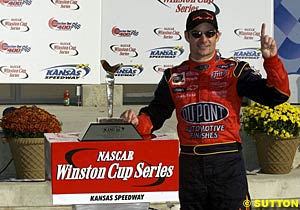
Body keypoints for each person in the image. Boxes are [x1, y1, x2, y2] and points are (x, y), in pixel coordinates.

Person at [120, 9, 290, 210]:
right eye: (196, 33)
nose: (204, 39)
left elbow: (277, 96)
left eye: (209, 33)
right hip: (190, 166)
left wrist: (271, 60)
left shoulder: (234, 71)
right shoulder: (173, 76)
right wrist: (137, 122)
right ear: (186, 36)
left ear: (217, 36)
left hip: (227, 164)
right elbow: (154, 116)